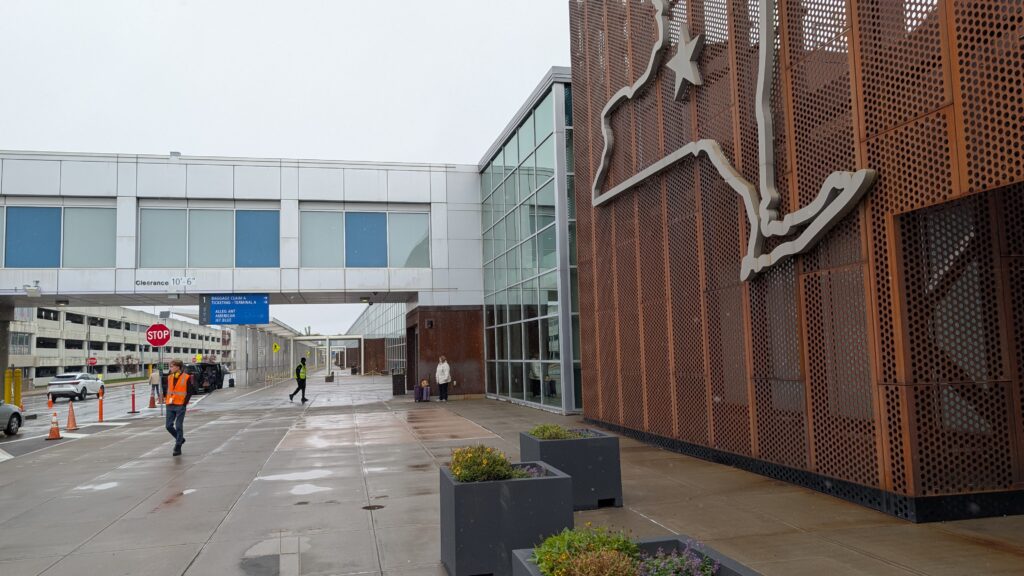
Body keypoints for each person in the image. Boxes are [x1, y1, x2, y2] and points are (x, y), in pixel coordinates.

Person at [164, 359, 195, 456]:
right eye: (170, 366)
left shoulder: (186, 377)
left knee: (178, 426)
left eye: (172, 366)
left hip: (180, 405)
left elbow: (190, 391)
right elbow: (167, 389)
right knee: (168, 426)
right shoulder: (169, 377)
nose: (170, 368)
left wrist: (184, 404)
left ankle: (177, 447)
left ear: (178, 367)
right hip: (170, 405)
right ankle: (180, 439)